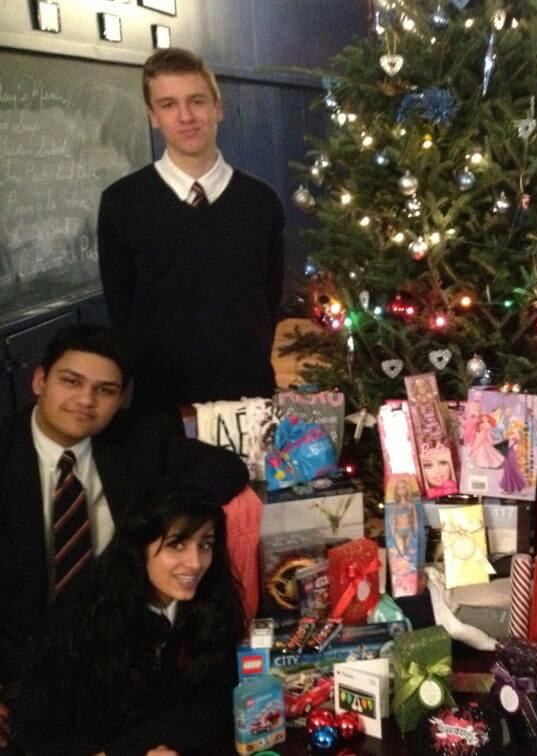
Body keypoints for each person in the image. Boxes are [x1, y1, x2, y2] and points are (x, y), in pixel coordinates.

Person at [0, 324, 247, 749]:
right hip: (18, 669)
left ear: (120, 399)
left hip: (117, 655)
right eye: (71, 381)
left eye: (105, 390)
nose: (86, 400)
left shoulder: (139, 439)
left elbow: (227, 470)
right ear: (39, 380)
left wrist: (157, 519)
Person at [98, 47, 284, 411]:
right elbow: (123, 311)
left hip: (248, 399)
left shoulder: (261, 202)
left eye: (197, 101)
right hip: (158, 405)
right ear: (153, 116)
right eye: (168, 104)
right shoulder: (121, 203)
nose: (185, 116)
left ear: (218, 107)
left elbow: (268, 302)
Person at [10, 488, 246, 754]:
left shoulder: (212, 609)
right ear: (139, 548)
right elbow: (34, 737)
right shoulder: (81, 620)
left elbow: (218, 706)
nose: (195, 562)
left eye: (205, 544)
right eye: (176, 544)